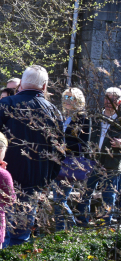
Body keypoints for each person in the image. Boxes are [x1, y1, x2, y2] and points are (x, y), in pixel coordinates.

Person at [0, 66, 64, 247]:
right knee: (20, 234)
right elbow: (59, 152)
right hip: (34, 181)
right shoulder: (53, 111)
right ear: (44, 86)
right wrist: (47, 179)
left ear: (21, 84)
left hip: (3, 176)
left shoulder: (6, 104)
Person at [76, 87, 121, 226]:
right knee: (85, 193)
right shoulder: (94, 118)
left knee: (108, 196)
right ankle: (82, 223)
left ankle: (104, 225)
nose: (108, 102)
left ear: (119, 102)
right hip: (92, 163)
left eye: (112, 99)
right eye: (106, 98)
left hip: (111, 164)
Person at [54, 87, 90, 230]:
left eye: (71, 98)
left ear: (78, 100)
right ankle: (61, 231)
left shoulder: (83, 118)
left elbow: (83, 142)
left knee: (60, 200)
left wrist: (65, 146)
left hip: (71, 163)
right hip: (58, 161)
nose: (67, 101)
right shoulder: (63, 116)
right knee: (58, 199)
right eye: (65, 97)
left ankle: (70, 230)